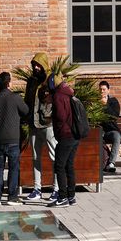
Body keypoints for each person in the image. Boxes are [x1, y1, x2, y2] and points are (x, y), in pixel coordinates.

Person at [0, 71, 29, 205]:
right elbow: (26, 111)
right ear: (8, 83)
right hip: (13, 138)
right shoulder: (15, 98)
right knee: (13, 167)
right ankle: (12, 196)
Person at [22, 53, 58, 202]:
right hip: (33, 124)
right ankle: (37, 189)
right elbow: (27, 100)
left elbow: (58, 100)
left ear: (44, 64)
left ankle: (57, 189)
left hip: (48, 124)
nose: (36, 67)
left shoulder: (51, 79)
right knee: (35, 156)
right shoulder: (31, 81)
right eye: (34, 65)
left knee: (54, 156)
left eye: (38, 65)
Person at [48, 74, 79, 207]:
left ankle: (62, 197)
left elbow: (60, 116)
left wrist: (58, 129)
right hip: (75, 134)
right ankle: (71, 196)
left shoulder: (58, 95)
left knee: (59, 166)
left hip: (65, 135)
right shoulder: (69, 92)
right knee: (69, 165)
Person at [99, 80, 121, 173]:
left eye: (104, 89)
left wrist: (105, 105)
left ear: (108, 90)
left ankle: (111, 163)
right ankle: (103, 162)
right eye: (100, 89)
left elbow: (114, 116)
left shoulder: (113, 101)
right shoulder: (94, 102)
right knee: (96, 138)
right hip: (99, 130)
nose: (102, 91)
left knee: (117, 136)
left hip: (110, 130)